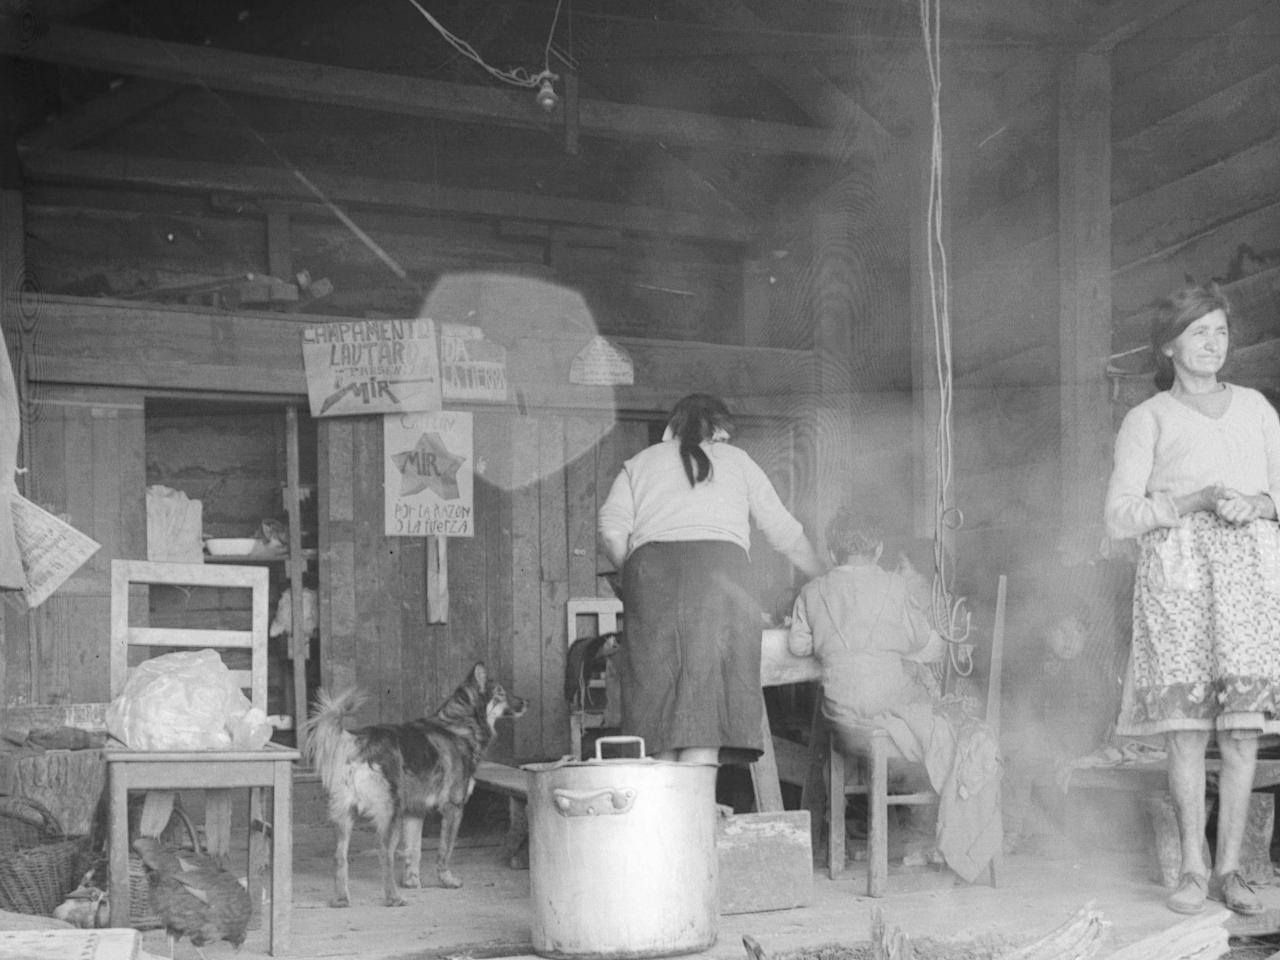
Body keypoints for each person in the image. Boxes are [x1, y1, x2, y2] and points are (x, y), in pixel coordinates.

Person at [1104, 282, 1280, 916]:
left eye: (1221, 332)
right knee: (1183, 734)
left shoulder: (1257, 409)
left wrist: (1254, 503)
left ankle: (1230, 871)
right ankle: (1190, 870)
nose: (1214, 343)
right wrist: (1192, 501)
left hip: (1247, 585)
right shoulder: (1147, 418)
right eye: (1200, 332)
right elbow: (1120, 516)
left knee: (1240, 734)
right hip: (1177, 586)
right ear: (1171, 345)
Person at [597, 393, 824, 764]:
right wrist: (824, 576)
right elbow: (784, 532)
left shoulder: (639, 463)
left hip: (653, 578)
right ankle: (697, 808)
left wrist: (639, 579)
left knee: (657, 698)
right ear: (717, 431)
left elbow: (611, 532)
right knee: (711, 703)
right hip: (723, 577)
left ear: (671, 429)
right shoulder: (737, 461)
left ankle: (665, 811)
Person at [787, 508, 1002, 882]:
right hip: (889, 714)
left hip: (844, 723)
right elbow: (920, 638)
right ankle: (961, 841)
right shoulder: (893, 586)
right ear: (879, 549)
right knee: (962, 729)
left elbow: (799, 645)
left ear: (833, 553)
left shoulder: (812, 591)